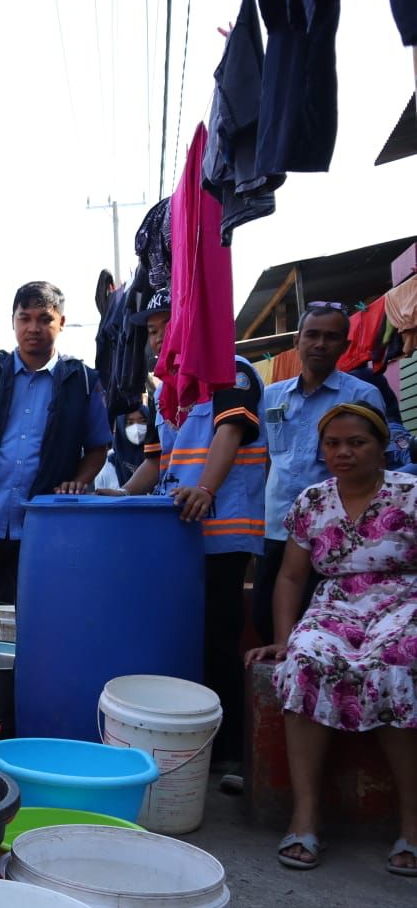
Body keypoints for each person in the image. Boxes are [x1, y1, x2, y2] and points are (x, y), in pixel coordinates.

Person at [245, 403, 417, 876]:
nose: (344, 452)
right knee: (305, 661)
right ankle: (306, 816)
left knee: (394, 662)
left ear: (381, 447)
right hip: (336, 604)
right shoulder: (312, 501)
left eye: (357, 443)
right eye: (333, 443)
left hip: (403, 600)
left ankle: (412, 822)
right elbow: (290, 577)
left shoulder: (410, 494)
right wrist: (284, 639)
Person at [0, 281, 111, 710]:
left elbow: (98, 447)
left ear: (62, 323)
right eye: (25, 318)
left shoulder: (83, 382)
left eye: (44, 319)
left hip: (43, 532)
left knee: (42, 631)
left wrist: (79, 480)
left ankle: (32, 719)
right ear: (13, 322)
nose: (34, 327)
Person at [117, 288, 267, 780]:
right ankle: (179, 744)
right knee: (180, 638)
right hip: (176, 538)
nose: (157, 337)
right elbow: (155, 463)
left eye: (166, 325)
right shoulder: (167, 392)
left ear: (191, 326)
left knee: (219, 639)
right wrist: (118, 497)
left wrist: (205, 488)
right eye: (152, 330)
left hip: (223, 533)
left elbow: (229, 432)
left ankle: (229, 755)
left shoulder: (231, 371)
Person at [255, 303, 383, 642]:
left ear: (345, 345)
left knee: (327, 626)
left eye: (331, 337)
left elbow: (376, 464)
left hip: (335, 533)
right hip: (275, 526)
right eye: (312, 335)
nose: (320, 344)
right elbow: (262, 459)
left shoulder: (362, 395)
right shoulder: (270, 396)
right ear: (297, 340)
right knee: (265, 619)